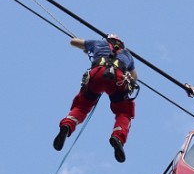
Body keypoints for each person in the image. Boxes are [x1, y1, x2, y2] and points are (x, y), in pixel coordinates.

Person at [53, 34, 138, 163]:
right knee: (124, 112)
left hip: (96, 75)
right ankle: (118, 137)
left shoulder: (98, 43)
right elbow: (134, 76)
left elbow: (73, 42)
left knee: (81, 106)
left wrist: (86, 47)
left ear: (107, 40)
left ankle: (67, 126)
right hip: (118, 79)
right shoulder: (127, 55)